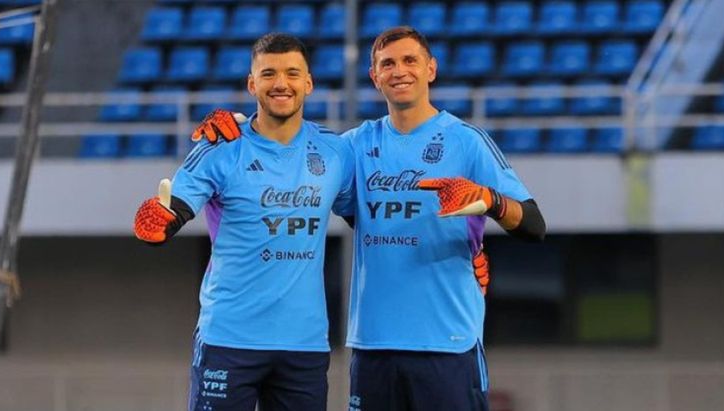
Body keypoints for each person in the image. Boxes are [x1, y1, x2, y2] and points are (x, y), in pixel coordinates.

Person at [192, 26, 542, 410]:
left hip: (448, 343)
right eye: (387, 64)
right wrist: (232, 126)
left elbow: (533, 224)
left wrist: (491, 201)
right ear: (375, 76)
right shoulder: (353, 147)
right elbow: (290, 161)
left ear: (431, 69)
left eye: (410, 61)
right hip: (372, 346)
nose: (399, 71)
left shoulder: (467, 141)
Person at [133, 33, 355, 411]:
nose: (281, 83)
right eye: (268, 74)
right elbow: (173, 208)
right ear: (252, 84)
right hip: (228, 339)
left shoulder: (335, 152)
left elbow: (371, 220)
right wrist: (158, 220)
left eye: (292, 73)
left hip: (303, 343)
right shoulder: (220, 146)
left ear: (309, 83)